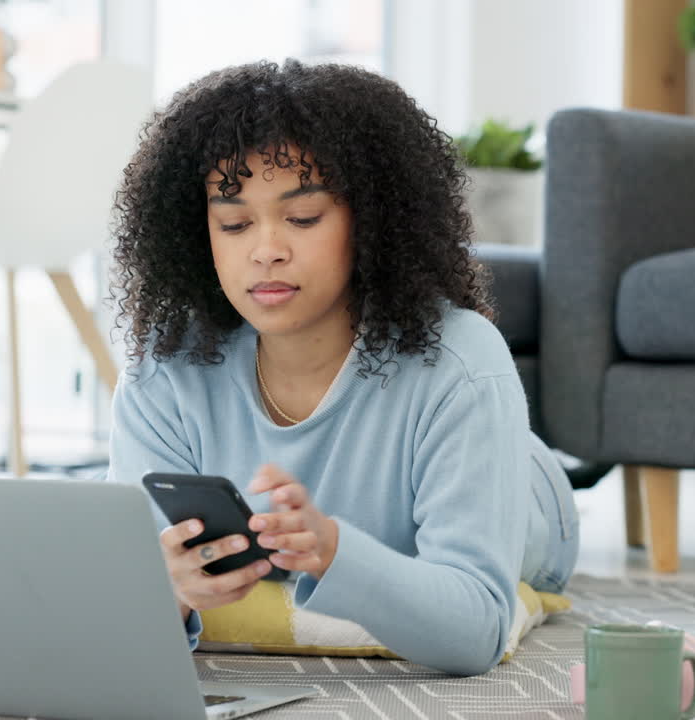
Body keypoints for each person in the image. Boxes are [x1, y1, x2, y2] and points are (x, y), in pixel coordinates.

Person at [105, 59, 578, 676]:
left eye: (303, 218)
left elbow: (474, 630)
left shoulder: (461, 362)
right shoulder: (164, 369)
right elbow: (127, 591)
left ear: (374, 220)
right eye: (234, 223)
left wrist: (332, 552)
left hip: (529, 494)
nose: (266, 250)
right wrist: (172, 591)